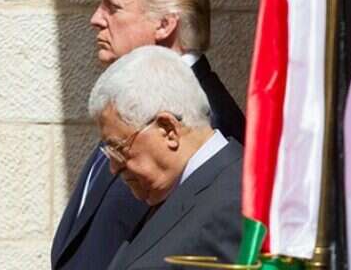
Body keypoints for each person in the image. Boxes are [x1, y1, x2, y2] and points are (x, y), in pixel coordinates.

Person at [51, 0, 245, 269]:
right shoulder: (129, 105)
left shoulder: (209, 122)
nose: (95, 19)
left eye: (113, 7)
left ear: (165, 24)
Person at [89, 46, 242, 269]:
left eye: (118, 148)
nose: (113, 168)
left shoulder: (235, 203)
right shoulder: (173, 191)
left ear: (168, 129)